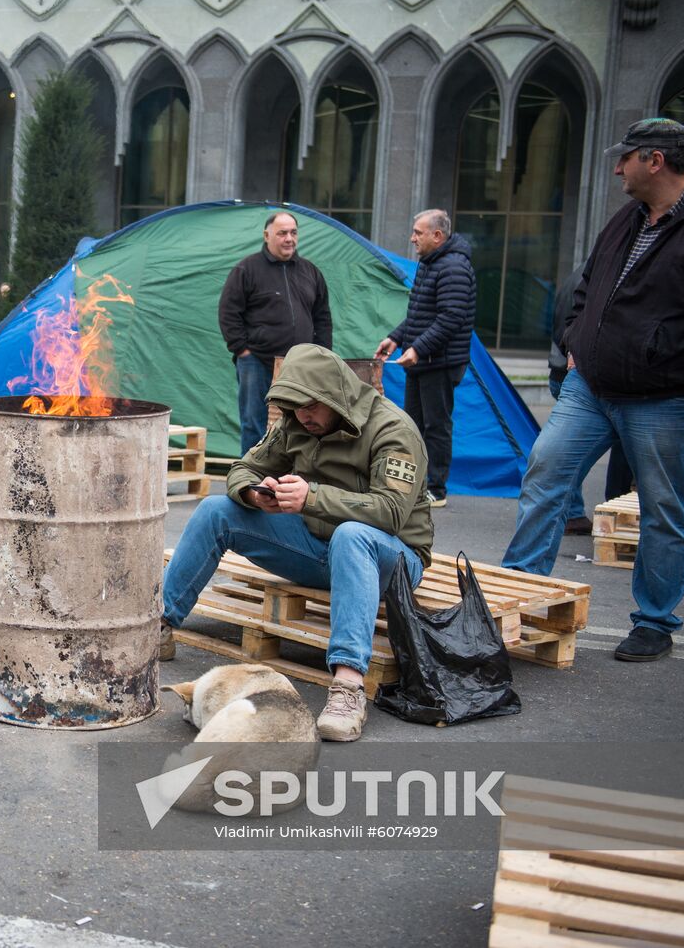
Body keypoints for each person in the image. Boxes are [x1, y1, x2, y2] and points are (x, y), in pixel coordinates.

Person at [503, 118, 684, 662]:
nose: (617, 168)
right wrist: (573, 338)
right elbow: (588, 283)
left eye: (626, 158)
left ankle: (655, 622)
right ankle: (520, 593)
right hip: (590, 385)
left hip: (669, 397)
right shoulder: (626, 218)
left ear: (655, 160)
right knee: (545, 472)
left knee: (663, 506)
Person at [159, 344, 432, 742]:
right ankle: (160, 625)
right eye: (295, 408)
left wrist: (312, 498)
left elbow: (391, 512)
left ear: (334, 396)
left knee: (352, 535)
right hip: (320, 548)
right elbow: (244, 468)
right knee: (216, 509)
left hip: (394, 559)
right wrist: (254, 494)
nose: (304, 416)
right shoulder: (295, 422)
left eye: (311, 407)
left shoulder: (394, 430)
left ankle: (348, 687)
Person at [375, 209, 476, 507]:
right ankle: (411, 485)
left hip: (440, 363)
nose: (412, 238)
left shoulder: (453, 267)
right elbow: (420, 316)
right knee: (411, 425)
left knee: (436, 425)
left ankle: (437, 489)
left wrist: (417, 349)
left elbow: (450, 318)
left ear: (437, 236)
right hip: (424, 361)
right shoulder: (430, 264)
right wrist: (396, 338)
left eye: (418, 232)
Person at [218, 211, 332, 454]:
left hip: (300, 364)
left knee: (301, 422)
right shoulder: (247, 269)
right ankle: (250, 479)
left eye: (293, 232)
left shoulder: (310, 271)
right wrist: (242, 351)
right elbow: (228, 312)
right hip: (256, 362)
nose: (289, 238)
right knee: (254, 423)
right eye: (282, 233)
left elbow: (322, 317)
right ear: (266, 235)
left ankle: (291, 477)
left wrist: (321, 354)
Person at [546, 262, 635, 536]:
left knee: (565, 453)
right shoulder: (606, 277)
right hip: (582, 376)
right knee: (576, 454)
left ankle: (580, 511)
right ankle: (604, 509)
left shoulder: (578, 275)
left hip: (563, 370)